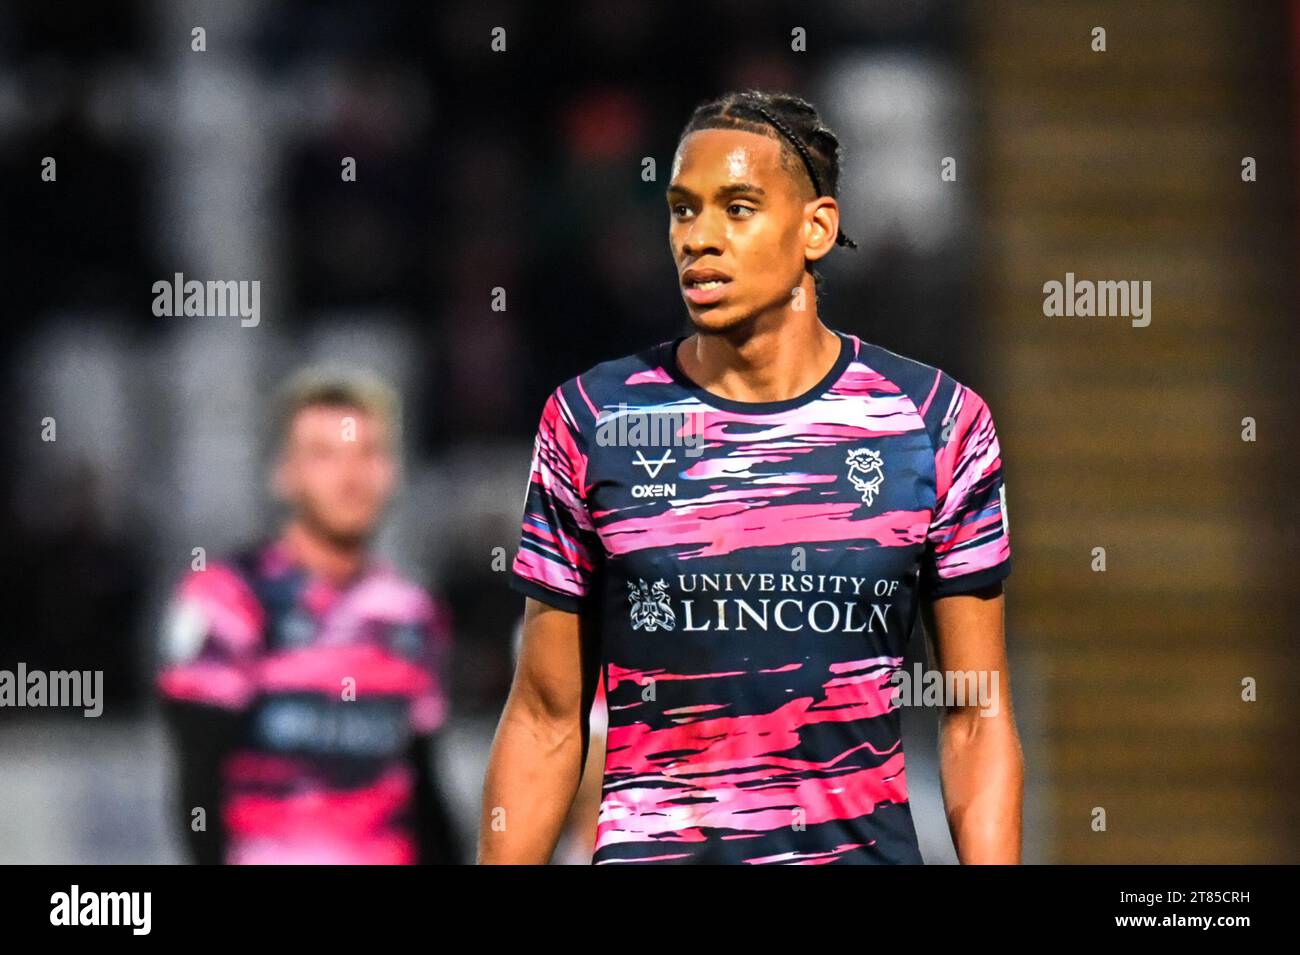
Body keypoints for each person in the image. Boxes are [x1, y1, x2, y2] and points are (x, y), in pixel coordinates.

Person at [479, 89, 1022, 865]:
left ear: (817, 229)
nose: (698, 238)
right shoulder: (589, 421)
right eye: (681, 209)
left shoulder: (937, 423)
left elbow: (974, 716)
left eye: (736, 208)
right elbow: (543, 716)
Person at [158, 369, 461, 864]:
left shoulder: (412, 613)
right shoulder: (228, 599)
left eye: (368, 453)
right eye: (324, 455)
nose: (350, 476)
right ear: (283, 473)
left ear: (392, 470)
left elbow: (424, 789)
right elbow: (198, 784)